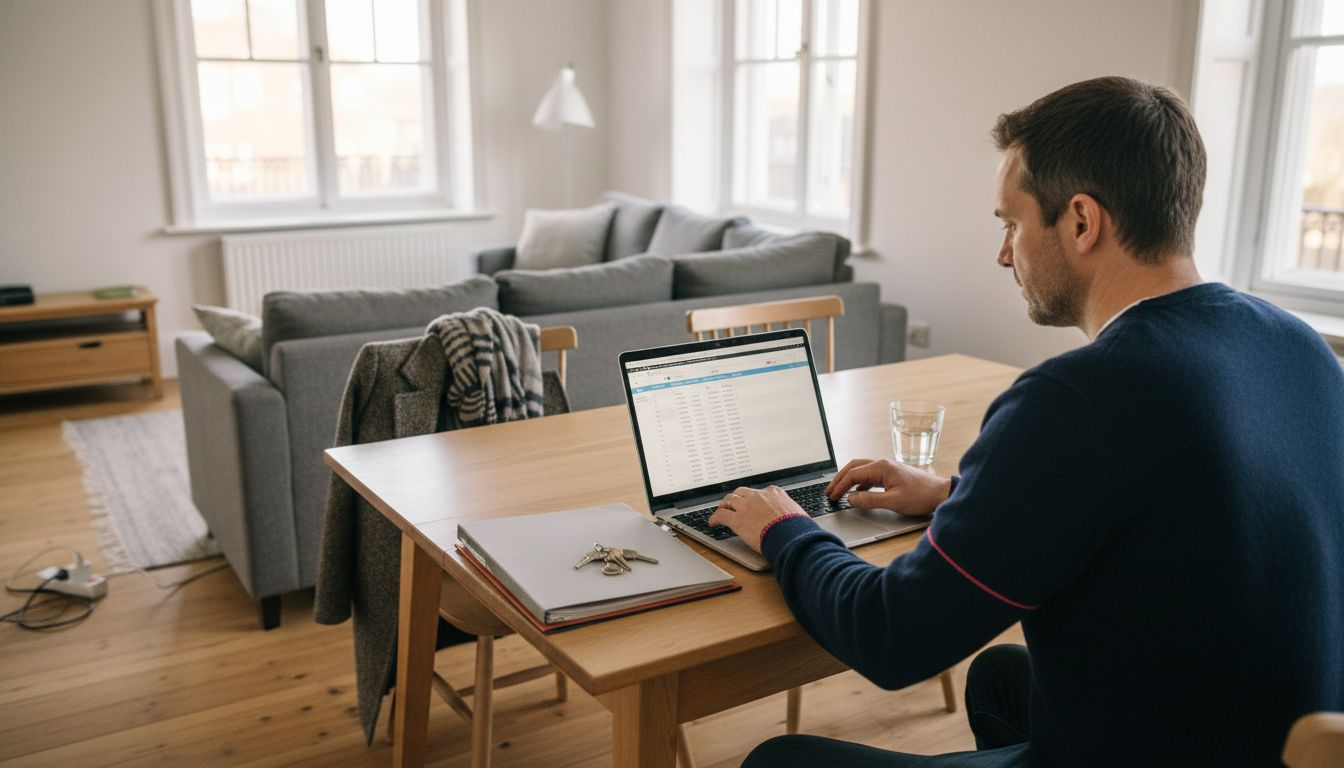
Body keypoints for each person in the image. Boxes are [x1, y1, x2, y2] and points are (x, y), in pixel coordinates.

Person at [708, 76, 1344, 767]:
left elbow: (891, 639)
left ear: (1080, 221)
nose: (1004, 254)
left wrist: (784, 529)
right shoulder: (1297, 346)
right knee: (1001, 679)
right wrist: (957, 495)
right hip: (1272, 740)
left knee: (778, 760)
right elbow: (1179, 505)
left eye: (1011, 224)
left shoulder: (1080, 397)